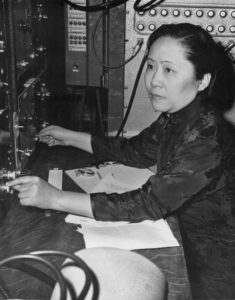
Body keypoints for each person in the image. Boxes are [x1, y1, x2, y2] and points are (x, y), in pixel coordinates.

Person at [7, 23, 235, 299]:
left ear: (202, 80)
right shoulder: (180, 115)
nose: (154, 81)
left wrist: (55, 198)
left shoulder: (206, 136)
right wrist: (70, 136)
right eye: (150, 66)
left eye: (168, 70)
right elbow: (134, 151)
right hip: (188, 237)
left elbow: (148, 202)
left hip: (214, 261)